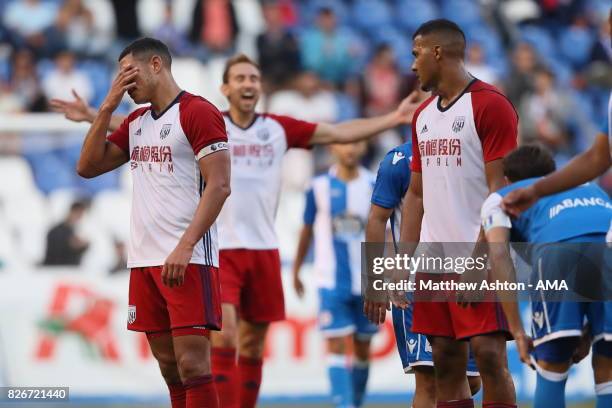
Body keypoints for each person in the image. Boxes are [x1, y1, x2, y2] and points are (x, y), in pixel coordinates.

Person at [52, 52, 419, 408]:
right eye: (240, 78)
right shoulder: (193, 119)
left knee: (250, 346)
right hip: (215, 247)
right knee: (210, 345)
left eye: (254, 78)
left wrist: (393, 119)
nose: (248, 84)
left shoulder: (271, 128)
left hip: (255, 246)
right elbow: (121, 145)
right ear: (225, 88)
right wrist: (97, 111)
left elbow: (337, 131)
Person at [74, 37, 230, 408]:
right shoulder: (136, 121)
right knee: (169, 368)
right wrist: (107, 105)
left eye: (129, 75)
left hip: (187, 258)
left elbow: (220, 185)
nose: (124, 86)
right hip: (144, 262)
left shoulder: (197, 112)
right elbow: (87, 166)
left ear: (156, 64)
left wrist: (187, 244)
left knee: (193, 364)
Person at [395, 19, 519, 408]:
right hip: (434, 261)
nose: (412, 66)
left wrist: (480, 260)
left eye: (416, 54)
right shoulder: (423, 116)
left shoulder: (490, 105)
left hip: (481, 254)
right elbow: (415, 195)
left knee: (489, 356)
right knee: (445, 362)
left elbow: (502, 193)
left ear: (437, 52)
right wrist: (402, 263)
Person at [481, 145, 612, 408]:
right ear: (553, 174)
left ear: (507, 179)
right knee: (608, 362)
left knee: (552, 363)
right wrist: (588, 332)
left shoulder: (501, 197)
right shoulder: (589, 186)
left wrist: (517, 332)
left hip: (556, 252)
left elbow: (498, 256)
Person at [365, 141, 481, 407]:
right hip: (419, 281)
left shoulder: (470, 151)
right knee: (428, 378)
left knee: (471, 379)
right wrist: (374, 281)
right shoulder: (399, 161)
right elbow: (376, 218)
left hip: (466, 274)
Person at [292, 141, 378, 408]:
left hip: (367, 280)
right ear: (332, 149)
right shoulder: (317, 187)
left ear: (364, 148)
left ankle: (356, 402)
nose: (349, 149)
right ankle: (345, 405)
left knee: (363, 349)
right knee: (336, 344)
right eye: (343, 143)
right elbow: (306, 229)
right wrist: (296, 269)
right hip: (330, 279)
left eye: (354, 144)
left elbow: (387, 229)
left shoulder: (374, 185)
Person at [42, 200, 89, 266]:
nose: (80, 217)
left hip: (68, 270)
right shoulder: (56, 231)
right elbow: (56, 254)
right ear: (72, 211)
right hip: (55, 270)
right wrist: (72, 245)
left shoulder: (72, 230)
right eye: (79, 213)